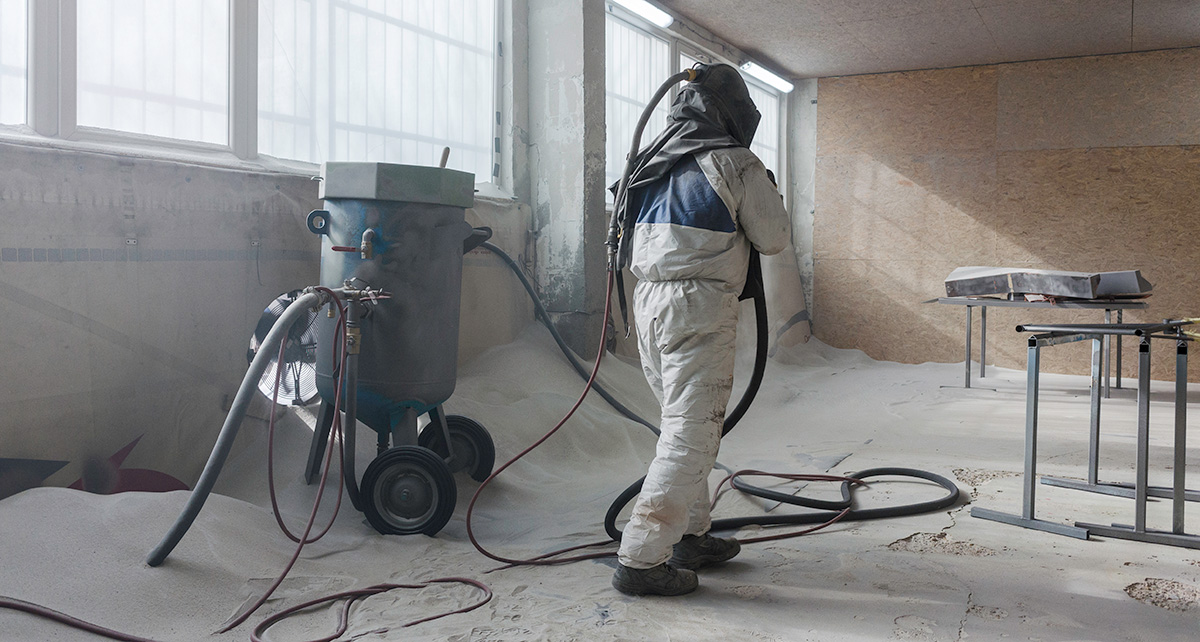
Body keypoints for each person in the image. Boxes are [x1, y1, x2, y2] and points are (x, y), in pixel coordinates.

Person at [611, 63, 791, 596]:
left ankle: (690, 534)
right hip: (699, 305)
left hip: (647, 304)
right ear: (731, 114)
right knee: (691, 434)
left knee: (683, 427)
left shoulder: (650, 162)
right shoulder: (734, 162)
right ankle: (641, 558)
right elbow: (774, 237)